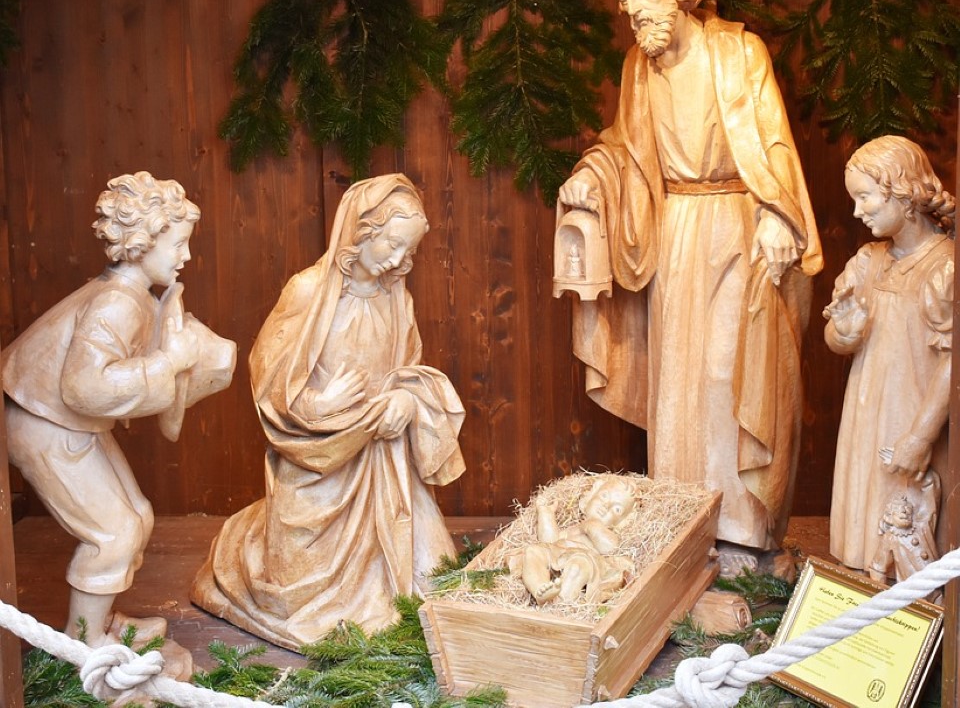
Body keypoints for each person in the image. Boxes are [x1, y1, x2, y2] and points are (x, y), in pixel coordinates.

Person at [556, 0, 822, 573]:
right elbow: (625, 146)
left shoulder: (737, 52)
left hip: (736, 224)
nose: (633, 9)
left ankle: (741, 532)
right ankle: (681, 526)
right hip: (673, 231)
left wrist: (778, 213)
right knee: (676, 383)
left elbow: (773, 143)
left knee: (728, 374)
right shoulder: (638, 67)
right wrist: (592, 173)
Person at [191, 174, 466, 650]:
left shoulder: (397, 298)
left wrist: (405, 399)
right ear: (361, 232)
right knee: (299, 589)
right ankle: (244, 548)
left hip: (383, 464)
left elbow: (408, 369)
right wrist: (317, 403)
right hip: (321, 461)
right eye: (392, 245)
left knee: (432, 581)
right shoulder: (308, 291)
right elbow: (270, 375)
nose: (399, 260)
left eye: (409, 250)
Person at [2, 171, 236, 648]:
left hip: (68, 421)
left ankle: (102, 621)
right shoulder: (116, 303)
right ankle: (84, 645)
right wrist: (170, 362)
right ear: (142, 243)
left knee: (138, 515)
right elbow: (85, 387)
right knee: (115, 532)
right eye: (179, 244)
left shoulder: (132, 296)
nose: (187, 256)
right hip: (43, 421)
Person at [824, 135, 953, 576]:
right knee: (860, 517)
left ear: (903, 193)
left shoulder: (944, 266)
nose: (857, 212)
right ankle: (856, 577)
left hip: (912, 417)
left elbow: (953, 361)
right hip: (865, 415)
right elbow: (836, 334)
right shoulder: (867, 261)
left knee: (907, 521)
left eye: (865, 197)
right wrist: (844, 332)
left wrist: (920, 436)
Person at [511, 474, 636, 605]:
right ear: (591, 496)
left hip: (584, 560)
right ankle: (540, 590)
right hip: (559, 555)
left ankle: (559, 604)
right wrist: (546, 514)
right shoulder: (572, 529)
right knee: (533, 551)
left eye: (617, 509)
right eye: (604, 496)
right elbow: (549, 542)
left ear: (622, 521)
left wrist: (593, 526)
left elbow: (610, 548)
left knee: (577, 566)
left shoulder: (605, 533)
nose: (606, 506)